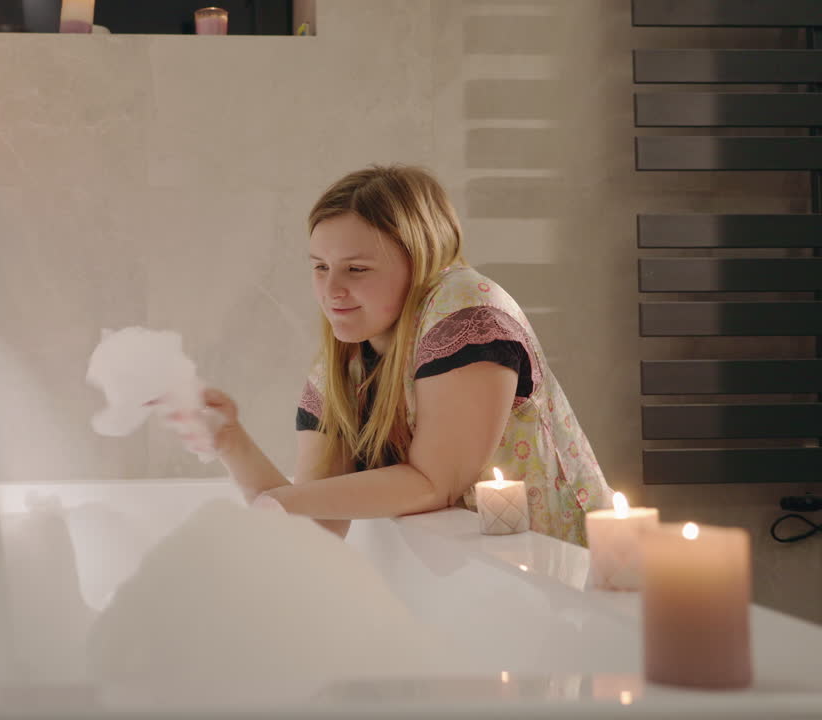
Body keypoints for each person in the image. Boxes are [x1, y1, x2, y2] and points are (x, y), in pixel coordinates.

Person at [167, 165, 613, 545]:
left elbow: (434, 483)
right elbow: (318, 524)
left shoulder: (467, 311)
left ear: (419, 261)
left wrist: (271, 508)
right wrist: (231, 441)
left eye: (356, 269)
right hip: (479, 581)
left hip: (560, 575)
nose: (332, 290)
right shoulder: (343, 365)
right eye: (320, 267)